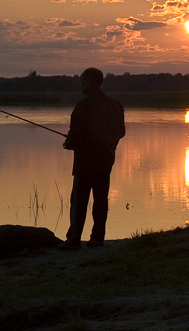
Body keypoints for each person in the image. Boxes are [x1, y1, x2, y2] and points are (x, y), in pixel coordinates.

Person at [57, 67, 125, 250]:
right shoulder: (115, 104)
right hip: (106, 160)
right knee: (101, 199)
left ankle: (74, 239)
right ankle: (97, 238)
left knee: (79, 200)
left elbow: (76, 136)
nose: (80, 86)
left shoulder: (84, 105)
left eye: (82, 82)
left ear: (89, 82)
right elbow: (121, 132)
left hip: (86, 162)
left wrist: (69, 142)